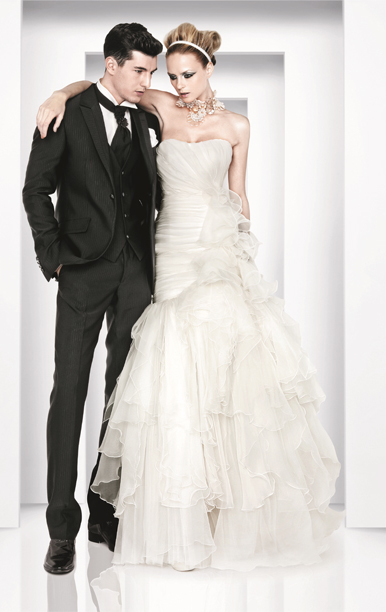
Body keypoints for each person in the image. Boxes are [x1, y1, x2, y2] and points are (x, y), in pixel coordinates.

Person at [37, 22, 345, 572]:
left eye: (184, 74)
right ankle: (91, 524)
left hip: (188, 256)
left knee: (186, 379)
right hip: (156, 254)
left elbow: (238, 194)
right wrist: (60, 92)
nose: (175, 84)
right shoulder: (152, 104)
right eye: (168, 75)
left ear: (209, 69)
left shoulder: (233, 124)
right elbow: (99, 89)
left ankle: (178, 510)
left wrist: (243, 249)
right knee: (121, 381)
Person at [22, 23, 163, 575]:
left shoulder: (147, 117)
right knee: (70, 393)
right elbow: (36, 189)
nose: (146, 81)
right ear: (111, 64)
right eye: (138, 70)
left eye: (151, 72)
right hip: (81, 271)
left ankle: (105, 513)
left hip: (136, 274)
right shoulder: (65, 113)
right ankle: (61, 529)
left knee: (122, 395)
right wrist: (54, 256)